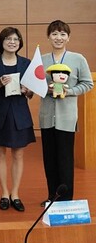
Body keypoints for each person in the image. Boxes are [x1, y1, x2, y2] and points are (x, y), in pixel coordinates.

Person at [39, 20, 93, 204]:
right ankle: (51, 197)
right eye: (54, 34)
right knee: (49, 160)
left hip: (67, 118)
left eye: (62, 34)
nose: (58, 38)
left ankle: (66, 200)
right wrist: (45, 89)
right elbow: (34, 84)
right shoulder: (41, 60)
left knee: (65, 159)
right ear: (48, 37)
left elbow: (88, 84)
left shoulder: (78, 59)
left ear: (68, 37)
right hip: (47, 118)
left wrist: (68, 91)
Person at [0, 27, 35, 212]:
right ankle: (4, 193)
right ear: (1, 42)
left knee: (18, 154)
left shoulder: (26, 63)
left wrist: (27, 91)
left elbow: (32, 92)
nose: (12, 42)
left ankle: (15, 193)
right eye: (8, 39)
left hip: (19, 113)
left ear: (20, 42)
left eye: (16, 39)